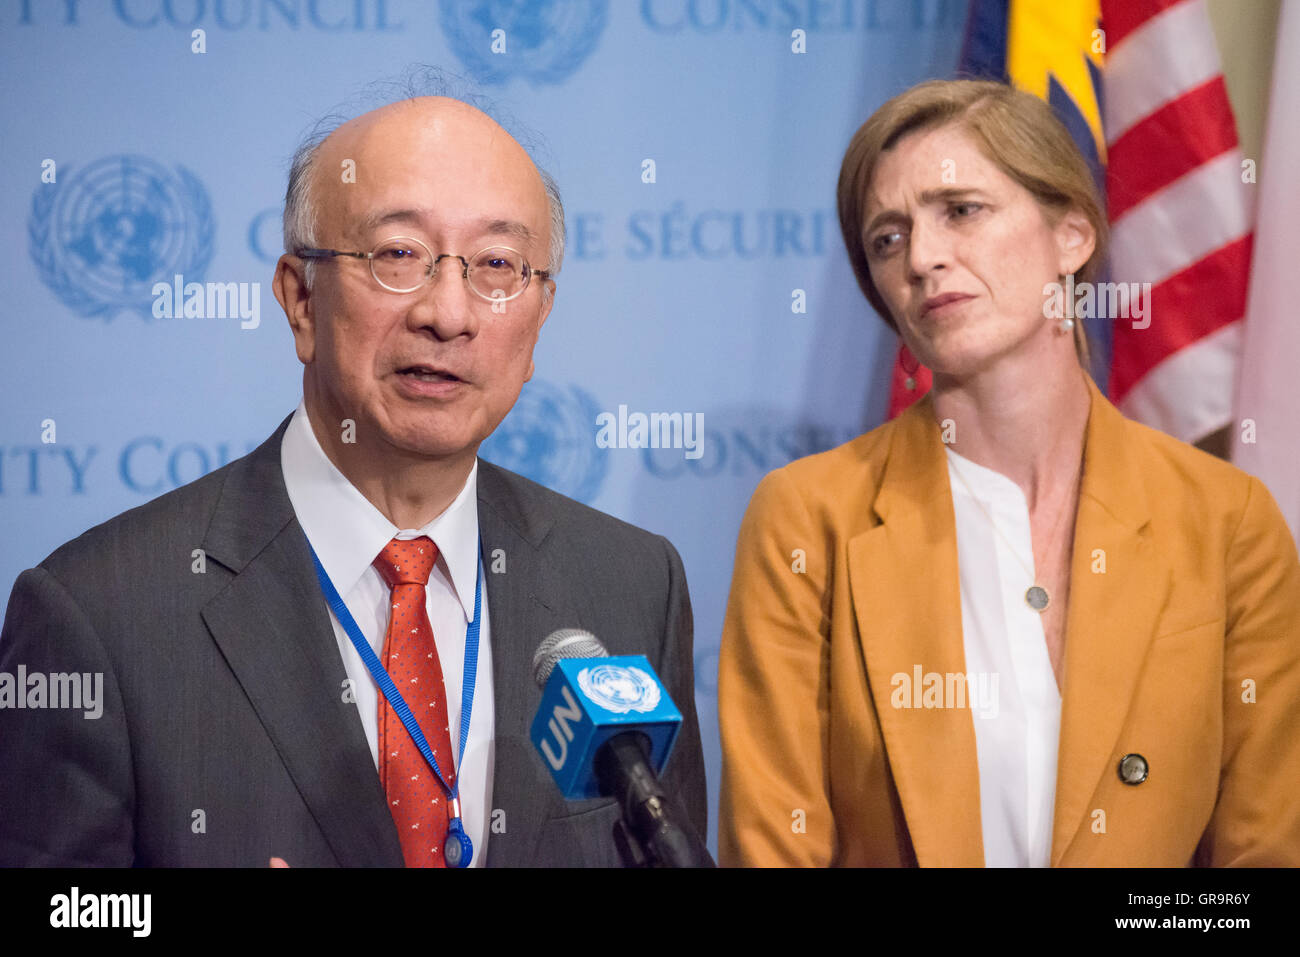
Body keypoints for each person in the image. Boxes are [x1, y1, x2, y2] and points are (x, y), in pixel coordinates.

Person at [0, 88, 707, 867]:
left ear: (538, 318)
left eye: (498, 266)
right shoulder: (100, 612)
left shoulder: (631, 583)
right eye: (398, 254)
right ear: (301, 300)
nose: (449, 312)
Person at [717, 78, 1300, 867]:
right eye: (887, 238)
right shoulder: (808, 518)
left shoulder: (1227, 519)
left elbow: (1262, 862)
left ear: (1072, 234)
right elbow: (774, 853)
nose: (922, 257)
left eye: (961, 210)